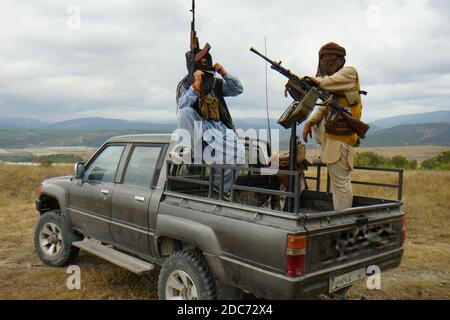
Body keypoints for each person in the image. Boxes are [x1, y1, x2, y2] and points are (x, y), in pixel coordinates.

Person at [300, 42, 364, 210]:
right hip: (333, 140)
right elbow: (324, 106)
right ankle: (340, 217)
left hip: (340, 140)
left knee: (341, 185)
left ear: (338, 59)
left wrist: (302, 80)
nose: (324, 63)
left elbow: (325, 82)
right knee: (339, 184)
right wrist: (309, 122)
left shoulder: (348, 73)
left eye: (327, 58)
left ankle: (342, 221)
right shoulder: (336, 87)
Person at [173, 49, 245, 196]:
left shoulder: (215, 83)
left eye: (206, 61)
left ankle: (220, 190)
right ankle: (185, 147)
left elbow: (237, 89)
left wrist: (224, 73)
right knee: (186, 112)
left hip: (217, 127)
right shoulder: (186, 85)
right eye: (201, 62)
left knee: (238, 152)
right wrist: (195, 87)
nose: (204, 64)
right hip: (197, 125)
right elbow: (182, 105)